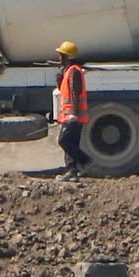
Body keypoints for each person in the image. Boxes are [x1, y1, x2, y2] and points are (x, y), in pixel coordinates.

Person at [53, 40, 89, 180]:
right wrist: (60, 80)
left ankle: (85, 161)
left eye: (61, 55)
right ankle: (73, 171)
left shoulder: (73, 71)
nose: (59, 58)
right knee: (71, 143)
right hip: (71, 116)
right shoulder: (69, 71)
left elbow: (75, 92)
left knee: (64, 141)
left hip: (73, 116)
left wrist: (73, 113)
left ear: (67, 57)